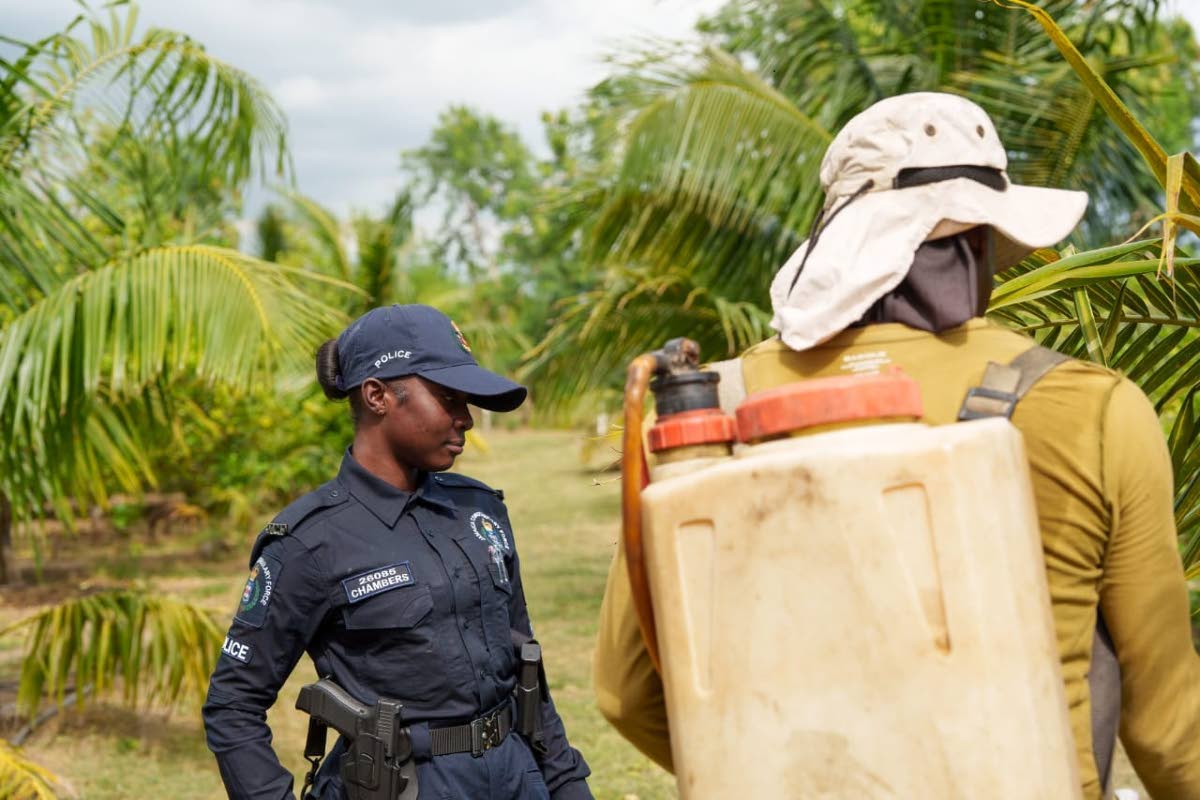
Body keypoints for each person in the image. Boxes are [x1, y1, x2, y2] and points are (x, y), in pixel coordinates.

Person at [593, 92, 1200, 799]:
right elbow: (1165, 730)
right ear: (979, 245)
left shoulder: (706, 406)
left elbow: (625, 693)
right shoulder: (1092, 407)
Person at [203, 304, 593, 800]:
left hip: (517, 776)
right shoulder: (309, 542)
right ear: (377, 395)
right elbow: (233, 703)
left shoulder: (480, 512)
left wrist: (565, 781)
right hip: (405, 785)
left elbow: (527, 665)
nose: (466, 420)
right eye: (448, 398)